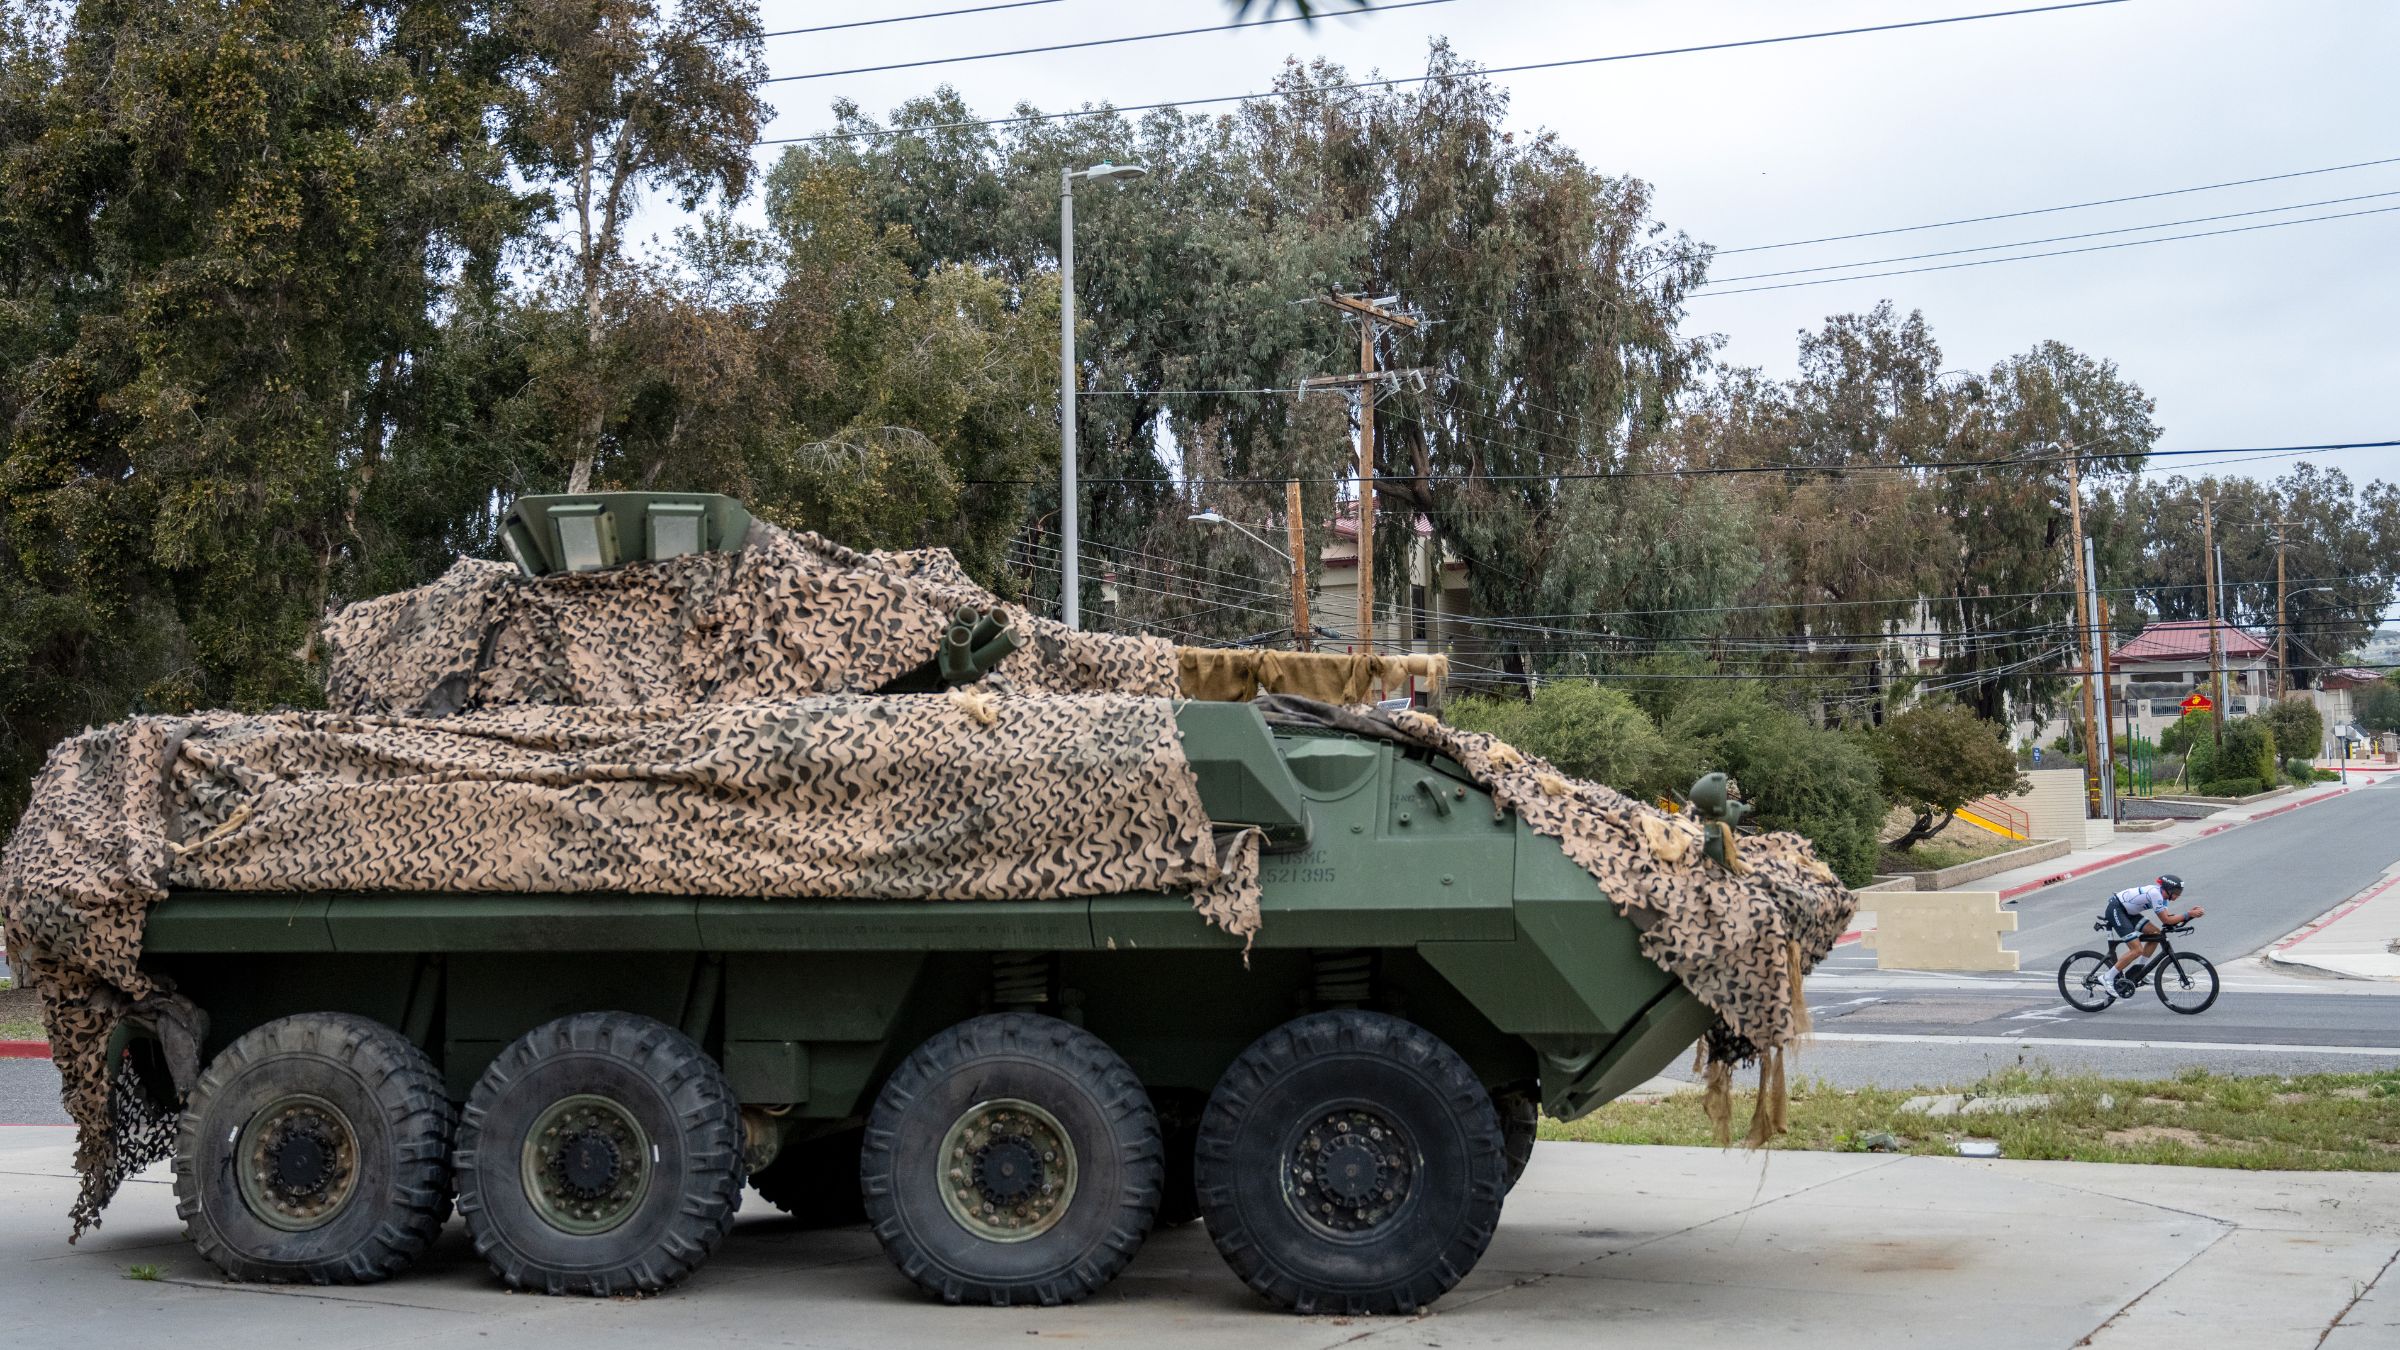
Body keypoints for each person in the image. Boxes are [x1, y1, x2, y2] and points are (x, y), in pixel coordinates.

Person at [2099, 875, 2204, 995]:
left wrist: (2189, 915)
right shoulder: (2155, 894)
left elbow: (2169, 918)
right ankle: (2107, 977)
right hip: (2116, 909)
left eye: (2179, 892)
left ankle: (2138, 972)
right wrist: (2188, 914)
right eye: (2176, 892)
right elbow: (2166, 920)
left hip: (2129, 913)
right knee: (2137, 949)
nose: (2177, 895)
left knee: (2155, 935)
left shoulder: (2163, 898)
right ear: (2167, 889)